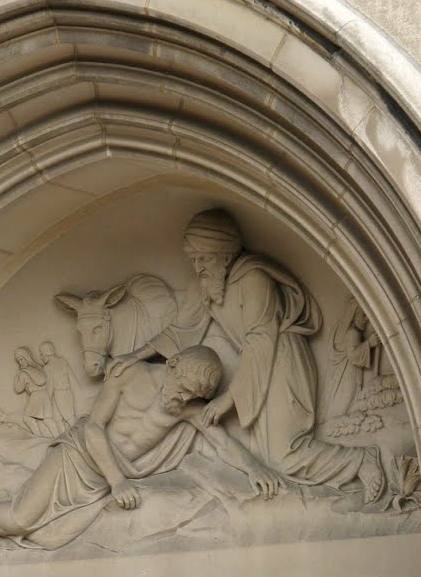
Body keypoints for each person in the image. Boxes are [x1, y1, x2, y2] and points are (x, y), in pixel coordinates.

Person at [107, 209, 384, 503]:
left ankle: (360, 461)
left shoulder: (254, 278)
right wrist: (136, 355)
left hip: (281, 359)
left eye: (204, 258)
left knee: (284, 455)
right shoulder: (206, 283)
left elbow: (260, 339)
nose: (198, 266)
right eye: (193, 259)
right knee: (267, 456)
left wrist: (229, 399)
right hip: (256, 365)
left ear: (225, 255)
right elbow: (181, 330)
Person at [0, 346, 280, 553]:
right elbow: (92, 426)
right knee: (20, 519)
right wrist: (118, 480)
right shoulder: (130, 375)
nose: (181, 399)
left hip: (101, 484)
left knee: (47, 535)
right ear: (171, 365)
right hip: (76, 460)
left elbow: (222, 441)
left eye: (192, 397)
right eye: (181, 387)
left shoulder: (186, 407)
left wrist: (255, 469)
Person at [13, 346, 57, 438]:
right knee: (48, 420)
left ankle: (39, 437)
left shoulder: (23, 373)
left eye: (22, 359)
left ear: (27, 358)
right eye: (19, 361)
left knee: (27, 418)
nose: (21, 362)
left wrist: (17, 375)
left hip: (36, 396)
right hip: (44, 395)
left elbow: (18, 389)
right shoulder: (38, 368)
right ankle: (59, 437)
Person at [39, 340, 80, 431]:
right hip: (66, 393)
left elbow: (50, 385)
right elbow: (72, 378)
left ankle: (79, 439)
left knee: (69, 419)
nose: (41, 357)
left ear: (46, 353)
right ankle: (65, 440)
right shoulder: (62, 361)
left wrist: (47, 400)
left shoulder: (47, 367)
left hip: (59, 395)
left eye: (41, 354)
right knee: (58, 419)